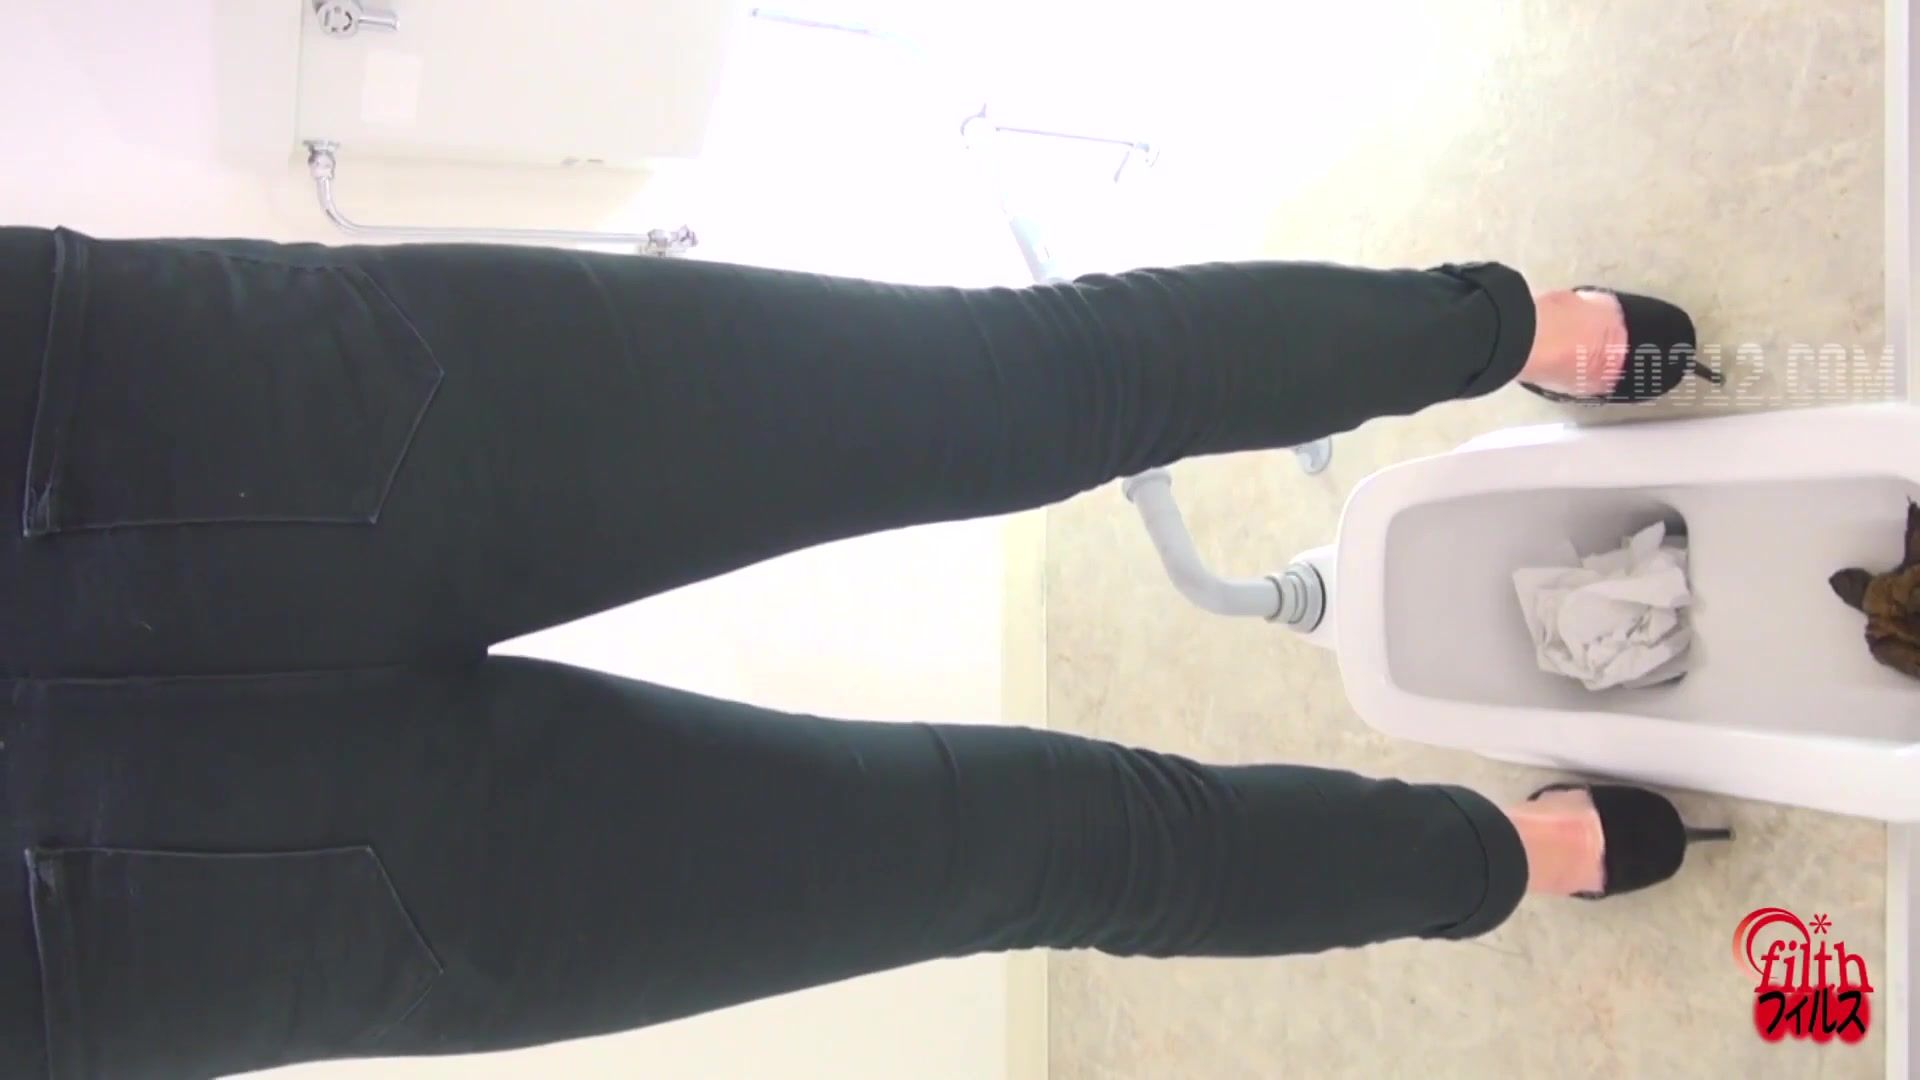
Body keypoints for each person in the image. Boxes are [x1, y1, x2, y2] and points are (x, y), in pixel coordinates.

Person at [0, 225, 1728, 1079]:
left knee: (1028, 387)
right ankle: (1505, 854)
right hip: (134, 935)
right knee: (1041, 847)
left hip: (122, 418)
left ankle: (1504, 330)